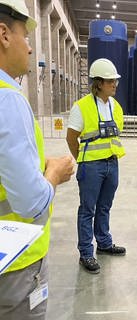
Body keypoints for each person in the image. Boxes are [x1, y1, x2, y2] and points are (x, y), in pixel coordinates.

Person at [0, 0, 74, 318]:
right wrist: (54, 172)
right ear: (3, 34)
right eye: (26, 36)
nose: (30, 48)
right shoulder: (8, 99)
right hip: (15, 261)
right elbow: (30, 202)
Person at [66, 58, 126, 275]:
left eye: (115, 81)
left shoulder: (116, 107)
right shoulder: (81, 107)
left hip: (112, 163)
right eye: (111, 81)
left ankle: (104, 243)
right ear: (99, 83)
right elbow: (71, 138)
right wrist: (82, 159)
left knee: (104, 207)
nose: (115, 84)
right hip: (91, 167)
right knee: (87, 210)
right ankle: (86, 253)